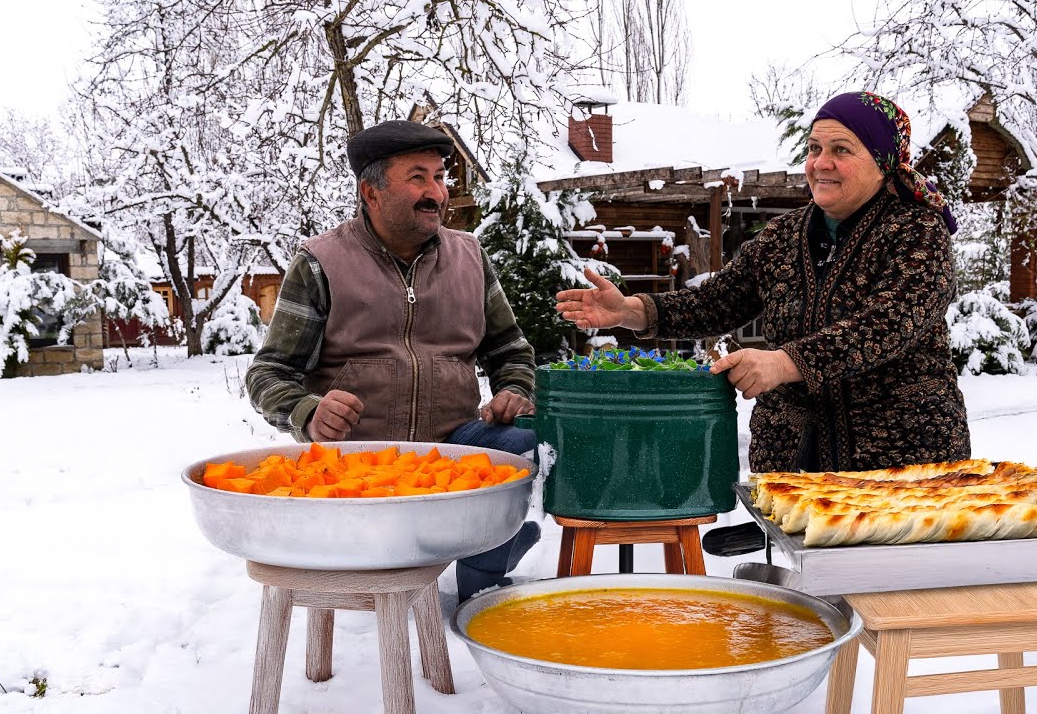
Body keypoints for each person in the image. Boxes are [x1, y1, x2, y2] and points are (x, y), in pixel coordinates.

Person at [556, 91, 971, 475]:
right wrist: (635, 310)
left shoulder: (917, 231)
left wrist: (784, 363)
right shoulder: (783, 236)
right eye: (814, 148)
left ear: (882, 163)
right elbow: (717, 301)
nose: (820, 163)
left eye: (841, 150)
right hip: (795, 462)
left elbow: (892, 322)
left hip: (902, 462)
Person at [246, 120, 539, 601]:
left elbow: (510, 349)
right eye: (418, 177)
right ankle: (458, 557)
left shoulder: (470, 258)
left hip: (453, 448)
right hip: (359, 458)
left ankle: (483, 578)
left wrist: (515, 390)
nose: (436, 193)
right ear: (372, 191)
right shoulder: (322, 262)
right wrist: (308, 412)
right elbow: (268, 373)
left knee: (537, 443)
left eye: (441, 177)